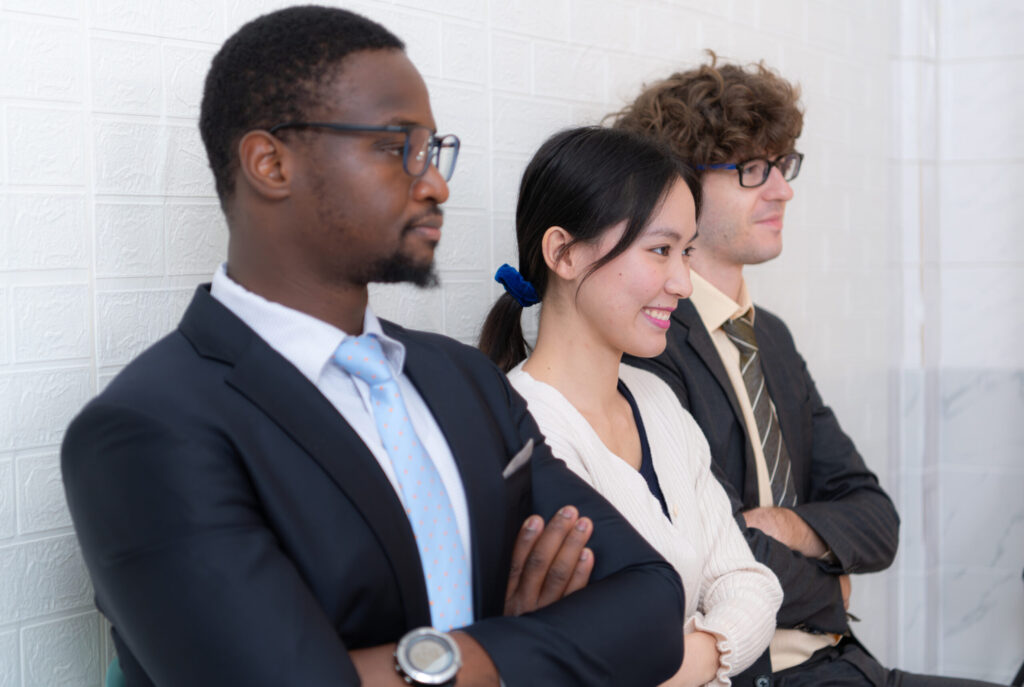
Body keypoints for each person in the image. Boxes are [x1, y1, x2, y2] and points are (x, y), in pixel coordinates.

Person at [60, 7, 688, 686]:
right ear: (271, 163)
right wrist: (515, 650)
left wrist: (449, 660)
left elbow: (653, 603)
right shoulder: (147, 429)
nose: (436, 183)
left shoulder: (465, 378)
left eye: (433, 149)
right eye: (397, 149)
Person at [612, 54, 1002, 686]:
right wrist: (835, 587)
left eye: (783, 165)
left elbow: (877, 518)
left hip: (842, 662)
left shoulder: (770, 338)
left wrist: (789, 525)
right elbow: (717, 557)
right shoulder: (652, 343)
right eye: (753, 169)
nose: (783, 189)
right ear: (678, 187)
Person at [480, 126, 783, 686]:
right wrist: (715, 643)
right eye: (661, 250)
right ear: (563, 253)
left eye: (685, 253)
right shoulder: (523, 432)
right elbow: (591, 655)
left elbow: (751, 582)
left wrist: (701, 655)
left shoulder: (655, 398)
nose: (683, 282)